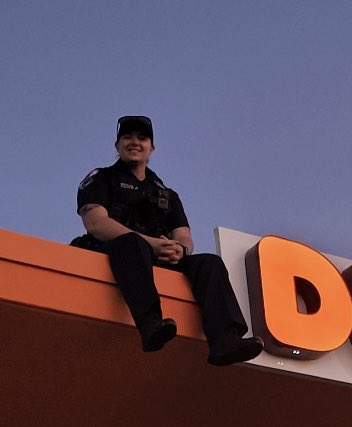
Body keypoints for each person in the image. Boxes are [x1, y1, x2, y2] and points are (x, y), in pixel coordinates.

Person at [73, 115, 263, 366]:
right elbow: (95, 223)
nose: (135, 142)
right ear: (117, 145)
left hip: (157, 255)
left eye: (142, 138)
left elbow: (183, 234)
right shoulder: (101, 177)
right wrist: (151, 242)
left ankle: (225, 341)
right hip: (116, 251)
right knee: (132, 243)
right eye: (127, 137)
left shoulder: (166, 193)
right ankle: (151, 326)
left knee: (209, 263)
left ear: (151, 148)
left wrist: (180, 251)